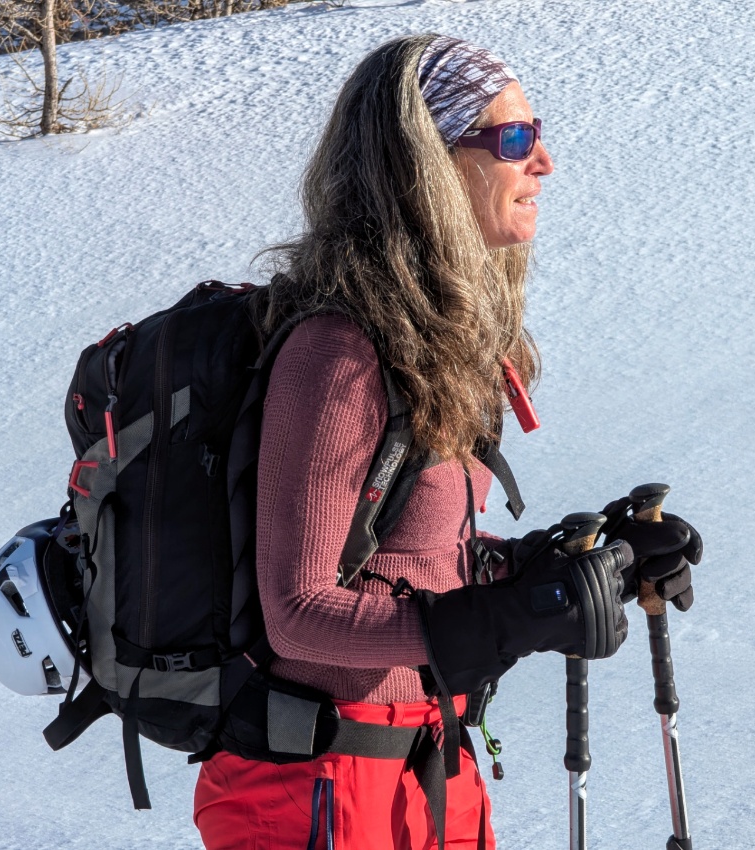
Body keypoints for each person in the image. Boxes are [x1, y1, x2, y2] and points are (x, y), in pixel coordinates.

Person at [192, 34, 703, 850]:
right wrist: (504, 621)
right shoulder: (337, 353)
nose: (543, 163)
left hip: (427, 770)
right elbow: (297, 612)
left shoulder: (432, 343)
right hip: (313, 792)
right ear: (429, 165)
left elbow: (414, 562)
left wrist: (567, 570)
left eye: (537, 133)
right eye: (512, 140)